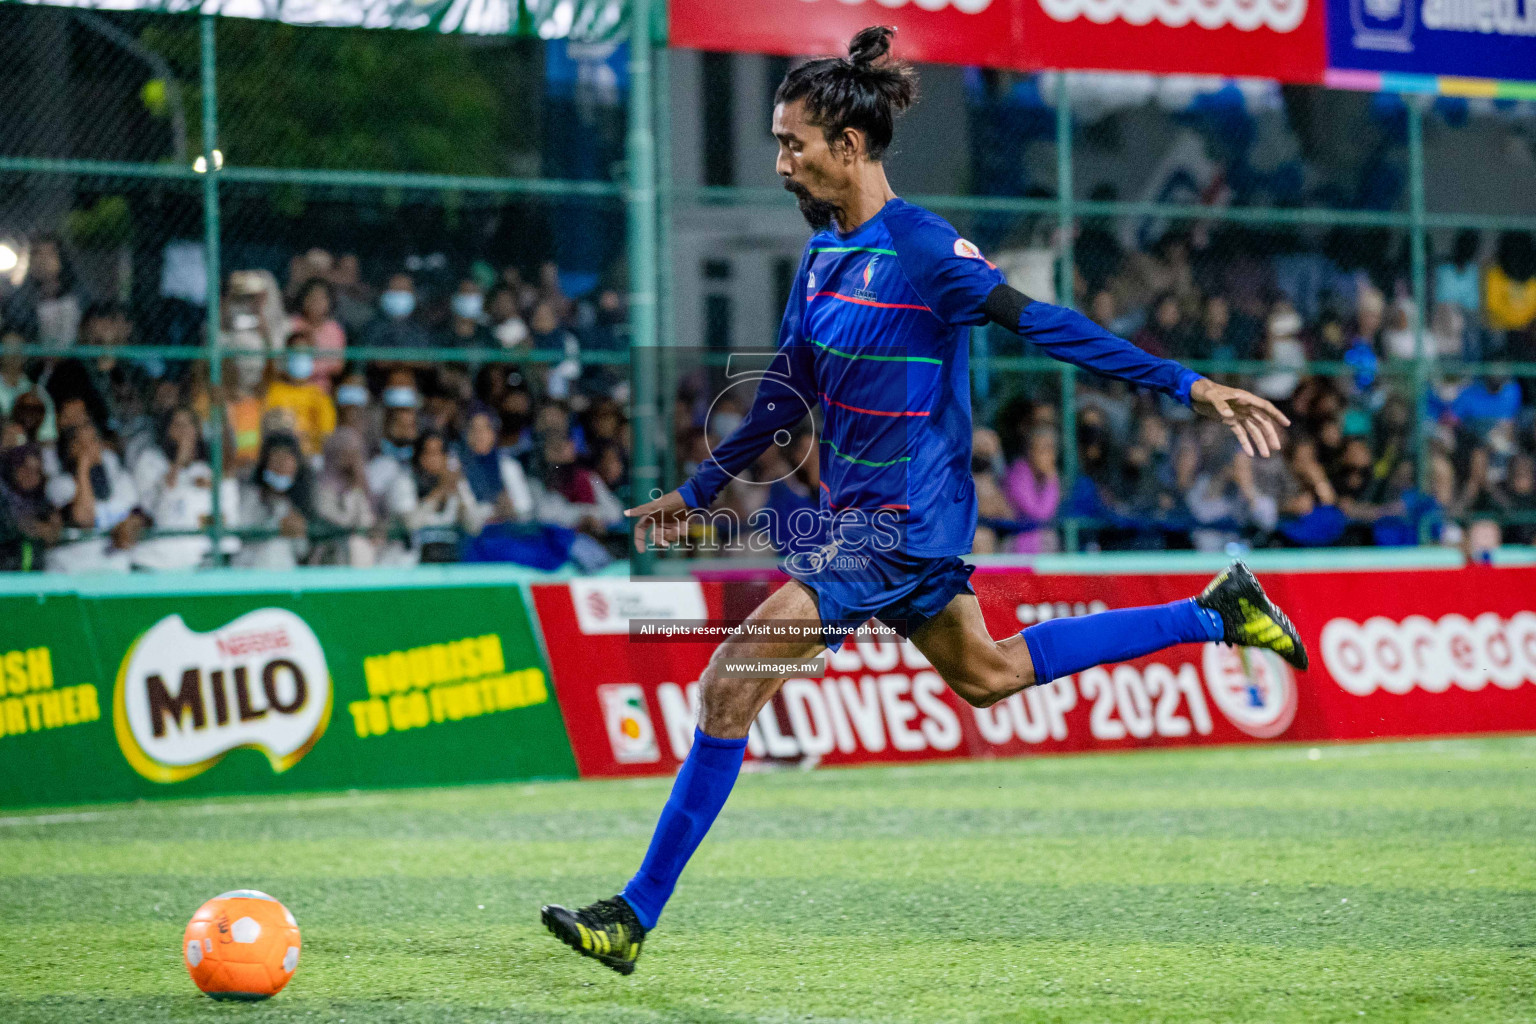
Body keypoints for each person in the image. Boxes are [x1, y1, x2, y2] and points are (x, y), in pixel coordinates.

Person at [541, 26, 1306, 975]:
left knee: (730, 677)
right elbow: (786, 391)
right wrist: (699, 490)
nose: (780, 163)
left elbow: (1046, 324)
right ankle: (1214, 612)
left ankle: (634, 915)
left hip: (896, 525)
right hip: (864, 523)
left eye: (793, 144)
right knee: (989, 675)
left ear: (848, 148)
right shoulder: (823, 258)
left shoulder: (923, 248)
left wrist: (1187, 386)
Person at [130, 407, 237, 571]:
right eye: (177, 425)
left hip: (193, 562)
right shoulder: (150, 460)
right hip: (153, 560)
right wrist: (180, 459)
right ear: (167, 430)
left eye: (189, 425)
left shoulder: (205, 470)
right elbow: (155, 514)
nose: (184, 431)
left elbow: (221, 519)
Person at [46, 421, 143, 573]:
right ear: (70, 449)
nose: (89, 448)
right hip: (71, 574)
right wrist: (83, 466)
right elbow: (84, 518)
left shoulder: (120, 480)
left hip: (113, 573)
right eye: (81, 443)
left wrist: (129, 525)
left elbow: (140, 516)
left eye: (92, 441)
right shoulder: (60, 485)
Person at [385, 429, 485, 563]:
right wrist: (438, 493)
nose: (434, 459)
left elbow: (475, 527)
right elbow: (410, 523)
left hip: (450, 560)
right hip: (411, 562)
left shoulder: (457, 484)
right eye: (429, 454)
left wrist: (461, 497)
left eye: (439, 454)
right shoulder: (404, 482)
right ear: (418, 457)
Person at [234, 432, 313, 569]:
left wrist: (299, 531)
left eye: (287, 458)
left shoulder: (298, 502)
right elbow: (241, 533)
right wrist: (276, 526)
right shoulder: (249, 495)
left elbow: (302, 551)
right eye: (276, 458)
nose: (281, 465)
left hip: (284, 578)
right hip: (249, 572)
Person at [289, 278, 347, 387]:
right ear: (303, 299)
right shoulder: (291, 325)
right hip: (290, 387)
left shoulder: (334, 329)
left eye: (321, 298)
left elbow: (338, 366)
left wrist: (308, 369)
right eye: (312, 297)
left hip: (321, 390)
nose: (316, 302)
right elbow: (281, 362)